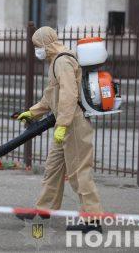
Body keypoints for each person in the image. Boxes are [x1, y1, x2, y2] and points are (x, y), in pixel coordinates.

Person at [17, 26, 103, 233]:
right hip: (65, 123)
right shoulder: (55, 60)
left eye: (38, 46)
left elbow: (68, 95)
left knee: (79, 172)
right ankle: (43, 210)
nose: (37, 50)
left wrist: (62, 126)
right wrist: (32, 112)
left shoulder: (63, 61)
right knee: (53, 169)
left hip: (72, 124)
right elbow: (51, 96)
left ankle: (93, 221)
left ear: (46, 43)